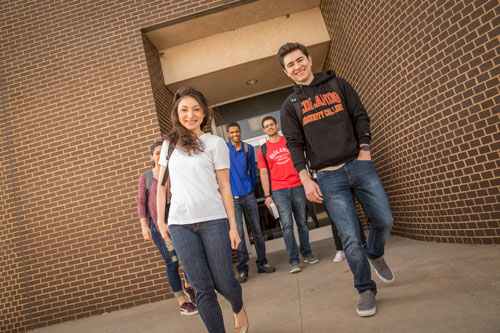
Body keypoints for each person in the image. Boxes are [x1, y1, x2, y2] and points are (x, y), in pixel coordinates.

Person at [277, 42, 395, 317]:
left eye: (299, 60)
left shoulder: (338, 84)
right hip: (329, 178)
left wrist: (365, 151)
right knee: (351, 238)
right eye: (290, 65)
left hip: (359, 164)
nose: (297, 67)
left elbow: (360, 117)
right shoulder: (290, 106)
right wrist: (306, 179)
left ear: (308, 58)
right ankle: (365, 289)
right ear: (286, 72)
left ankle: (375, 252)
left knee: (384, 220)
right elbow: (295, 145)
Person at [156, 87, 248, 333]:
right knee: (201, 288)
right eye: (184, 109)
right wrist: (161, 221)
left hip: (213, 221)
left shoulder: (215, 143)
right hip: (180, 224)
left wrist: (233, 226)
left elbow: (225, 186)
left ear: (205, 113)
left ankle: (238, 307)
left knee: (225, 283)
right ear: (177, 113)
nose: (191, 115)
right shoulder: (169, 145)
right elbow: (162, 186)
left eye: (196, 109)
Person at [137, 141, 198, 316]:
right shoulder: (147, 177)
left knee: (187, 255)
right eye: (156, 153)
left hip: (178, 222)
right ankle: (182, 302)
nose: (159, 155)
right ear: (152, 156)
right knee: (172, 263)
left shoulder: (174, 172)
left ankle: (189, 286)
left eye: (162, 153)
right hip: (158, 226)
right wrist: (144, 226)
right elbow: (142, 203)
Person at [257, 116, 320, 273]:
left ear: (277, 125)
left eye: (272, 124)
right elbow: (264, 174)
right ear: (264, 130)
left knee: (303, 223)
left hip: (298, 185)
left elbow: (302, 159)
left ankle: (307, 254)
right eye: (266, 126)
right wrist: (267, 195)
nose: (270, 127)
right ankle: (294, 261)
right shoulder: (262, 150)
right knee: (287, 225)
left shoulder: (289, 141)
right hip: (279, 191)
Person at [226, 122, 276, 283]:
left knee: (257, 231)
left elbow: (253, 173)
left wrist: (250, 187)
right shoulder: (224, 150)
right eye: (232, 132)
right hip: (233, 198)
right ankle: (242, 269)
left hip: (248, 195)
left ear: (240, 132)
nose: (235, 134)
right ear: (228, 134)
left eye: (237, 131)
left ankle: (262, 263)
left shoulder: (248, 148)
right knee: (239, 234)